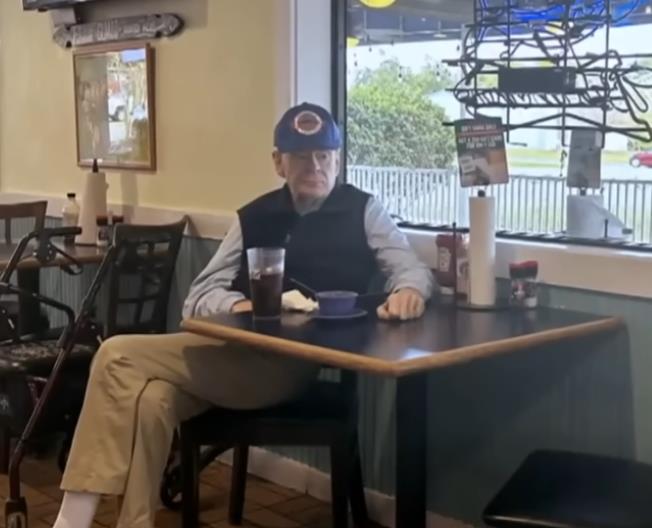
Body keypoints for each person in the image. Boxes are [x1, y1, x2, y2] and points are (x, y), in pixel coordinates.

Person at [52, 102, 433, 528]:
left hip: (288, 365)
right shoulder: (254, 215)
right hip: (228, 353)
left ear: (338, 160)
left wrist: (409, 291)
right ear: (278, 162)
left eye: (324, 156)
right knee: (153, 402)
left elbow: (410, 269)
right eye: (301, 157)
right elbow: (198, 297)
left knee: (115, 354)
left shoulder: (364, 210)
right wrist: (242, 304)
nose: (315, 167)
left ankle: (71, 521)